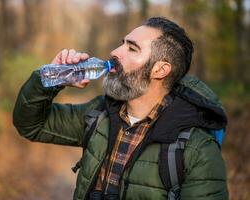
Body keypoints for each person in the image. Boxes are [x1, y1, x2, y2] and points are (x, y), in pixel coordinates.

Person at [13, 17, 228, 200]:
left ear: (160, 70)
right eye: (122, 43)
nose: (115, 52)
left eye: (132, 48)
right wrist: (50, 78)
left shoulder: (197, 150)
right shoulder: (99, 114)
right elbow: (31, 125)